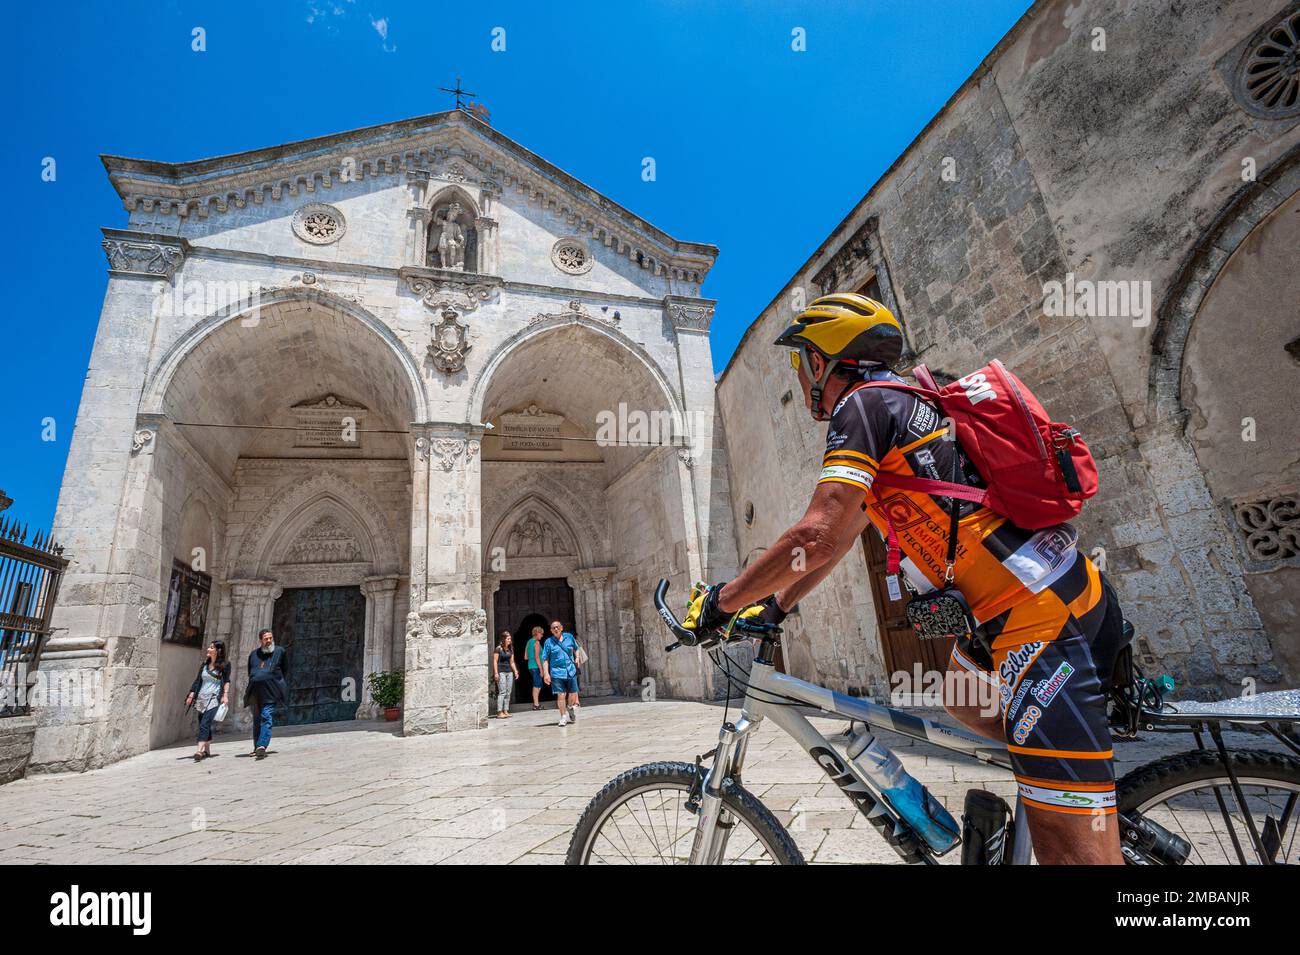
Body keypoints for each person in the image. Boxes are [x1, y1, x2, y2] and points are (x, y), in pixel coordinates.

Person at [681, 292, 1122, 865]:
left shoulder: (863, 406)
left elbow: (813, 536)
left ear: (822, 362)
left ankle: (1075, 803)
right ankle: (1063, 773)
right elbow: (837, 542)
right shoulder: (905, 405)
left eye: (800, 363)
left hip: (1039, 615)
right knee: (960, 697)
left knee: (1071, 858)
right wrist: (777, 606)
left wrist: (721, 600)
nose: (801, 376)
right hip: (1024, 607)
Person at [246, 628, 289, 760]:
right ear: (261, 640)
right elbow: (250, 671)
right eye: (266, 639)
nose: (269, 641)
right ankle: (256, 747)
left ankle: (262, 745)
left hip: (271, 691)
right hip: (255, 692)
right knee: (257, 720)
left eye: (270, 638)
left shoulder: (280, 651)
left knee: (266, 716)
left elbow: (285, 669)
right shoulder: (253, 655)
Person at [185, 640, 230, 761]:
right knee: (202, 722)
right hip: (201, 698)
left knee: (205, 723)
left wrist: (225, 695)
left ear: (218, 650)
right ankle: (207, 749)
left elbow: (226, 681)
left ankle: (199, 751)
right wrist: (191, 694)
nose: (208, 650)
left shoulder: (225, 665)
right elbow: (197, 680)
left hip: (214, 698)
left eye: (211, 648)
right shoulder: (204, 665)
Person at [540, 621, 582, 727]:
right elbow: (545, 659)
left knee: (573, 693)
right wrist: (546, 674)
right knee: (561, 694)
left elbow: (576, 649)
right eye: (553, 628)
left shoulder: (569, 637)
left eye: (557, 627)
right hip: (557, 672)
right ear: (551, 630)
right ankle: (563, 716)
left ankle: (569, 707)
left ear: (561, 628)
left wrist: (577, 657)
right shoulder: (548, 642)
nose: (556, 629)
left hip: (570, 670)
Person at [493, 630, 519, 718]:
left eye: (510, 639)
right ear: (504, 639)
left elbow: (512, 662)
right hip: (501, 672)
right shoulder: (498, 649)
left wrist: (515, 671)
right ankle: (499, 712)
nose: (509, 640)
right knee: (502, 692)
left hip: (509, 672)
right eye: (508, 639)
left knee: (508, 692)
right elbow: (495, 661)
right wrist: (496, 673)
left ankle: (506, 710)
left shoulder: (510, 649)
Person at [525, 625, 545, 710]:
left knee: (537, 685)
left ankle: (536, 704)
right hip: (536, 667)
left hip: (530, 666)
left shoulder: (529, 642)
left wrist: (531, 657)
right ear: (537, 633)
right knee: (537, 685)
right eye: (541, 634)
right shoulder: (536, 642)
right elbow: (537, 657)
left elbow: (525, 657)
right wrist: (541, 669)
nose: (542, 635)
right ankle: (536, 705)